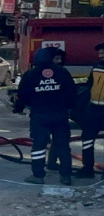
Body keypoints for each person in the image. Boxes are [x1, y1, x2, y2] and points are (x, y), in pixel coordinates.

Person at [13, 46, 78, 185]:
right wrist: (70, 108)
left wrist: (18, 108)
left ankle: (38, 175)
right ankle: (66, 176)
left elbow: (22, 96)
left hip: (39, 116)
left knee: (39, 146)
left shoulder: (30, 75)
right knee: (63, 146)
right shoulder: (62, 72)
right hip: (60, 114)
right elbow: (72, 93)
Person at [75, 42, 104, 179]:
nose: (101, 55)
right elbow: (90, 84)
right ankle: (87, 169)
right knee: (87, 139)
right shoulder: (97, 66)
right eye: (100, 53)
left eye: (103, 53)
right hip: (93, 109)